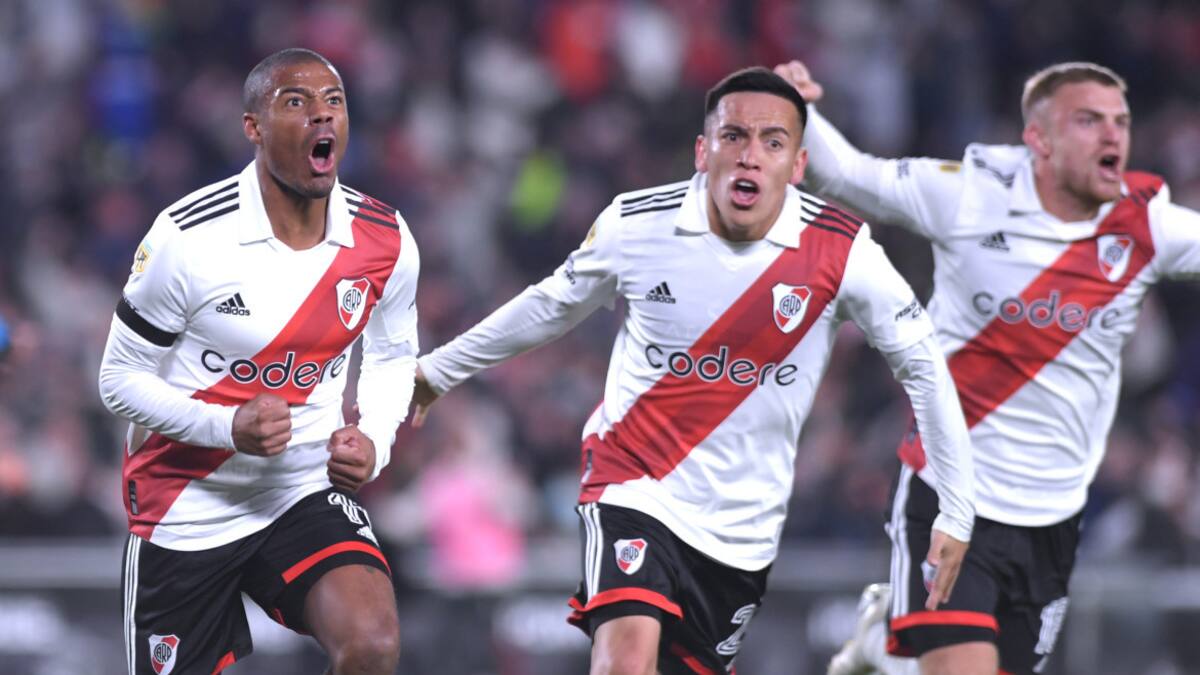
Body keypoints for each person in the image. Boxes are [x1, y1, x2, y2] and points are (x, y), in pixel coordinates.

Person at [411, 66, 976, 675]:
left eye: (773, 142)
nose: (751, 157)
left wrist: (956, 509)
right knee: (625, 661)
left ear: (799, 164)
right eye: (734, 136)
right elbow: (550, 306)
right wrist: (437, 372)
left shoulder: (844, 252)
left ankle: (865, 657)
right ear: (703, 152)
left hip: (742, 529)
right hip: (633, 484)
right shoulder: (638, 225)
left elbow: (924, 368)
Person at [774, 59, 1200, 675]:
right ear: (1040, 139)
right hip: (952, 500)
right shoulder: (972, 194)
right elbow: (847, 175)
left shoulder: (1147, 227)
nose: (1113, 136)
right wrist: (794, 107)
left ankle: (881, 651)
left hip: (1053, 517)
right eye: (1088, 121)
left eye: (1121, 122)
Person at [98, 48, 419, 675]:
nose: (322, 116)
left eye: (334, 101)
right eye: (296, 102)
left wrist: (375, 439)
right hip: (185, 499)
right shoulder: (187, 238)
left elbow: (393, 354)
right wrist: (227, 427)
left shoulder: (385, 239)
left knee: (372, 645)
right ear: (253, 127)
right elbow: (118, 380)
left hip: (300, 490)